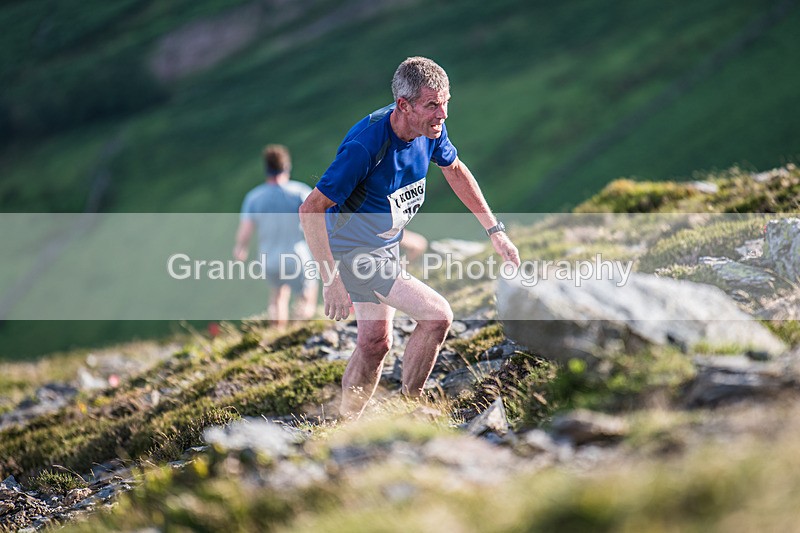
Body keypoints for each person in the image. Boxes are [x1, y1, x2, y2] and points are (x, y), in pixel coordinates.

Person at [299, 57, 520, 419]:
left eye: (446, 101)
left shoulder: (429, 130)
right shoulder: (365, 146)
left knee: (375, 344)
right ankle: (410, 409)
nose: (443, 114)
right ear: (404, 105)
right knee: (437, 316)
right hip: (354, 251)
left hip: (384, 245)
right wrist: (330, 279)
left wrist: (495, 231)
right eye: (433, 104)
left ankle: (344, 421)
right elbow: (310, 209)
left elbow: (455, 170)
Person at [235, 144, 318, 327]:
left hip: (269, 258)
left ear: (267, 169)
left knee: (277, 297)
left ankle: (277, 333)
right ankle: (297, 333)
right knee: (306, 295)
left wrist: (241, 249)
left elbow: (245, 230)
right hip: (296, 256)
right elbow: (316, 221)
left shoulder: (253, 197)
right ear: (286, 167)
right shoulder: (299, 192)